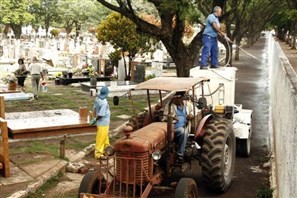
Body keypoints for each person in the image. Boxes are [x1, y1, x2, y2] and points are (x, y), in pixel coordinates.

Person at [171, 94, 194, 163]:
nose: (177, 100)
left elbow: (194, 110)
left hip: (184, 126)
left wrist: (191, 115)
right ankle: (180, 154)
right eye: (175, 98)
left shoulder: (188, 104)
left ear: (181, 98)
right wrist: (172, 117)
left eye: (178, 98)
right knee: (182, 132)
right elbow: (165, 115)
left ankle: (180, 154)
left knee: (183, 131)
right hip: (173, 128)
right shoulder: (170, 105)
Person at [93, 86, 111, 159]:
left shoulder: (97, 98)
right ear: (107, 93)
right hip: (103, 123)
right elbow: (101, 114)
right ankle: (98, 154)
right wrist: (96, 119)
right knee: (100, 138)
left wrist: (94, 117)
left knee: (105, 136)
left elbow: (94, 109)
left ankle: (107, 149)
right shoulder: (104, 102)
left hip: (101, 123)